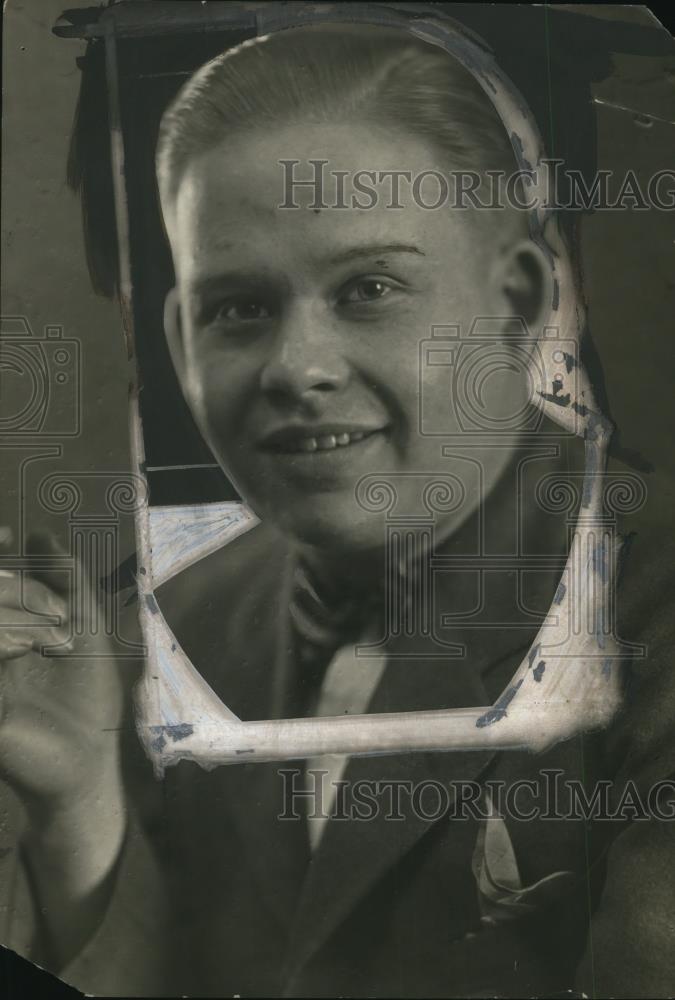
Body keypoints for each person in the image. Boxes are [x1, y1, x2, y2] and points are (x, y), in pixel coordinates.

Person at [2, 20, 674, 999]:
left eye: (369, 288)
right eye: (238, 307)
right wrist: (77, 808)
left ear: (518, 300)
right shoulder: (141, 631)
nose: (296, 367)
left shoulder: (652, 606)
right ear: (180, 341)